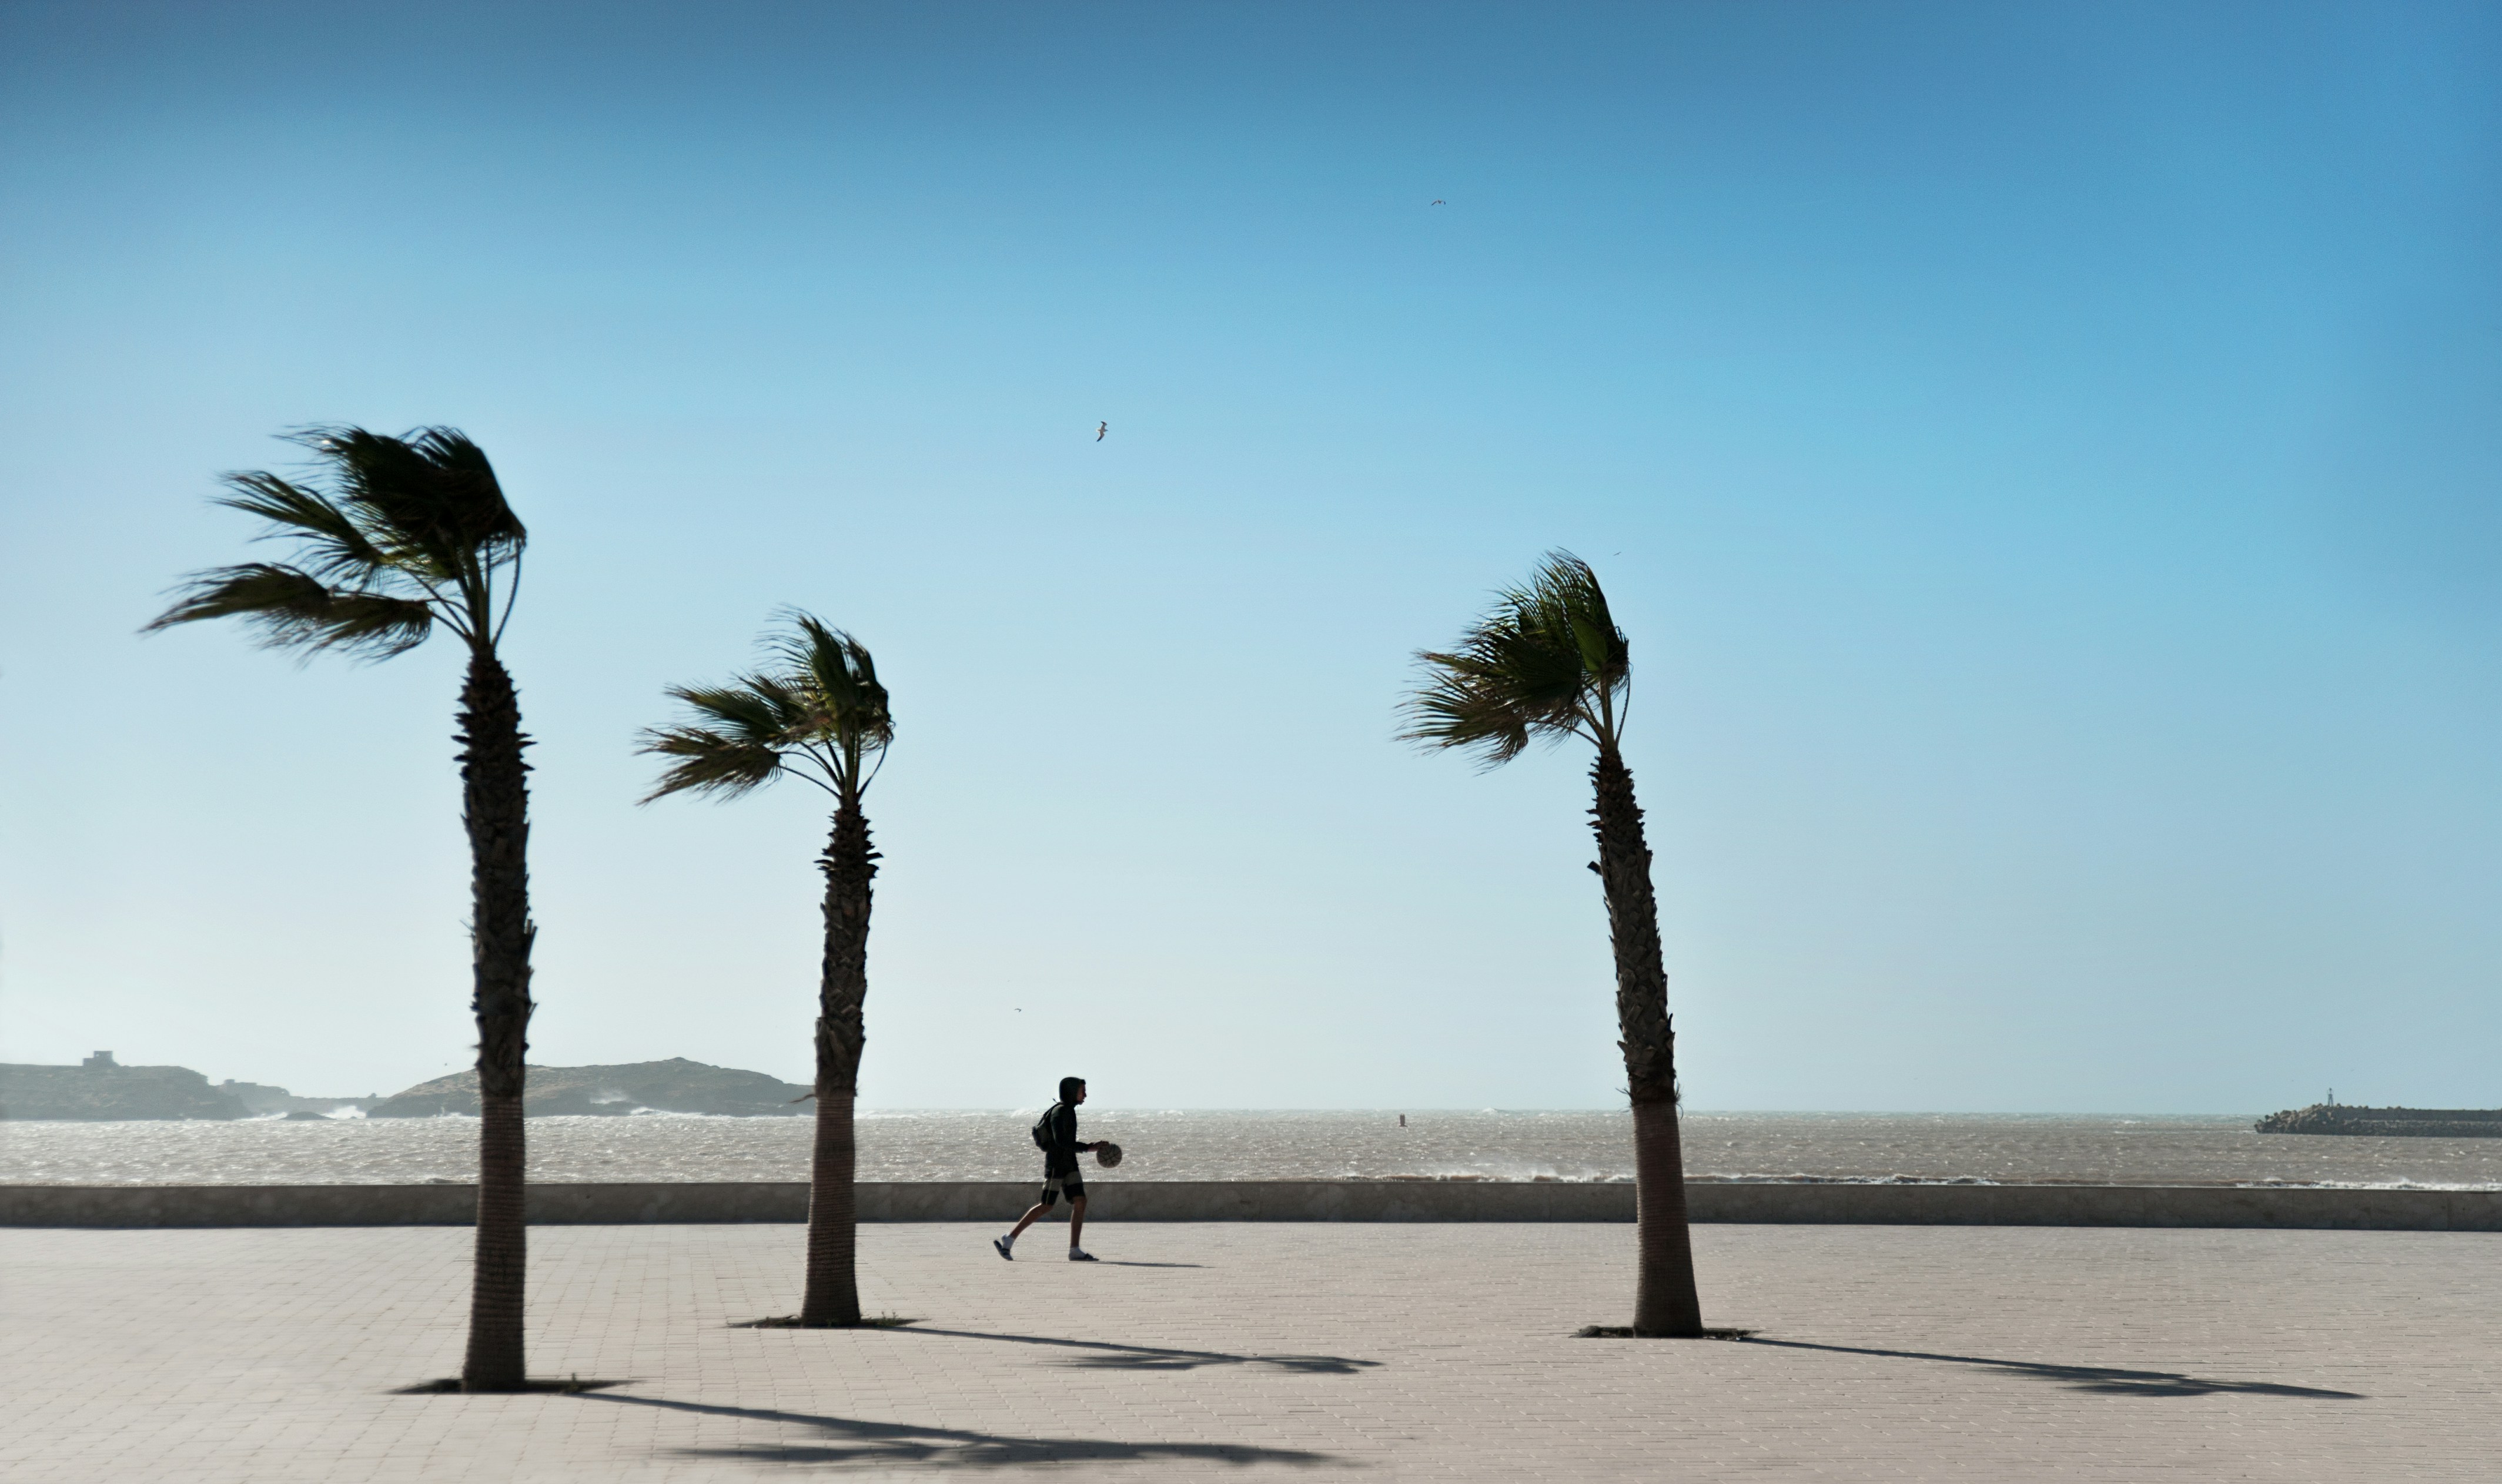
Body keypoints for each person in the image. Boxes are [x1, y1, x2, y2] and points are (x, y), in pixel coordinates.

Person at [995, 1076, 1104, 1262]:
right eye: (1082, 1091)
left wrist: (1087, 1148)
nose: (1085, 1095)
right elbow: (1061, 1141)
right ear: (1071, 1092)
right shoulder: (1060, 1112)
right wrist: (1088, 1147)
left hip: (1070, 1164)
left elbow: (1067, 1143)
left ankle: (1075, 1250)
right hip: (1056, 1165)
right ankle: (1009, 1239)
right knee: (1047, 1205)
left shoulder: (1069, 1111)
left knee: (1081, 1200)